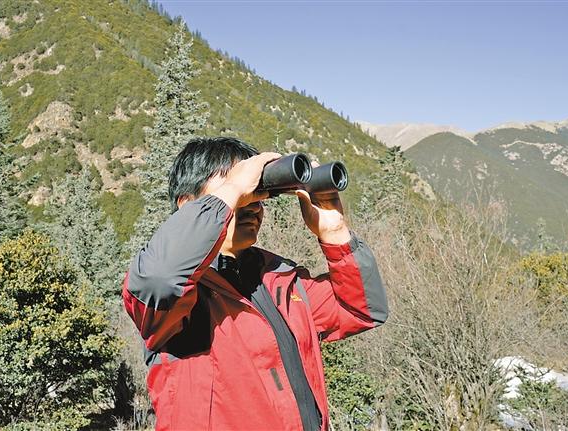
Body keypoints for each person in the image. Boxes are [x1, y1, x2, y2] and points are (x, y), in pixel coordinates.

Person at [123, 137, 388, 430]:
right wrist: (234, 189)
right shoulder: (176, 299)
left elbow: (362, 309)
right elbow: (158, 280)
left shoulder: (280, 281)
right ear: (188, 206)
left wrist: (335, 232)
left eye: (258, 194)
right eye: (242, 193)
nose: (252, 205)